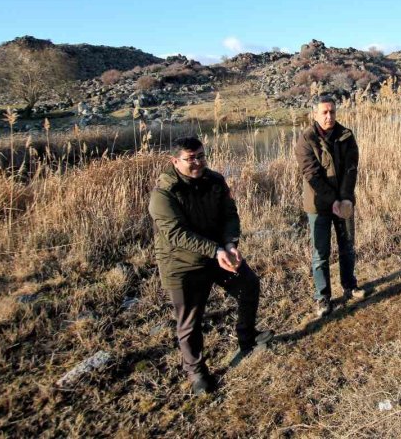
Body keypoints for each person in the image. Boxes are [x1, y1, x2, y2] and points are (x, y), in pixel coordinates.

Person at [148, 136, 272, 395]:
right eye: (190, 158)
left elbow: (230, 214)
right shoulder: (164, 194)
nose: (197, 162)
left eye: (201, 156)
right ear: (175, 161)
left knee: (249, 285)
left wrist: (230, 244)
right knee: (189, 322)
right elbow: (176, 234)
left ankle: (247, 337)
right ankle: (197, 372)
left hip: (218, 255)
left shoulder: (215, 180)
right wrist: (215, 250)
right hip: (181, 263)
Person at [296, 95, 365, 318]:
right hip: (319, 205)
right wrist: (332, 200)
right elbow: (312, 175)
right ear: (315, 114)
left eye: (332, 112)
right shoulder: (306, 139)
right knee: (320, 252)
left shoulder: (346, 135)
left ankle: (349, 285)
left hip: (344, 201)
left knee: (347, 246)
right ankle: (323, 296)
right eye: (324, 112)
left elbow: (351, 168)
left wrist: (344, 198)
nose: (329, 116)